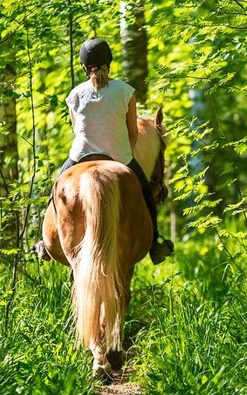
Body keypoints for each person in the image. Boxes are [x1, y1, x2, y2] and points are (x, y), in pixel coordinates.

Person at [59, 37, 174, 265]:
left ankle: (44, 240)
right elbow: (133, 132)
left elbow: (77, 130)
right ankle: (155, 243)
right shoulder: (126, 92)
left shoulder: (74, 95)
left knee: (57, 189)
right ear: (109, 63)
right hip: (119, 156)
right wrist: (125, 155)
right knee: (144, 193)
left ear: (84, 67)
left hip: (80, 155)